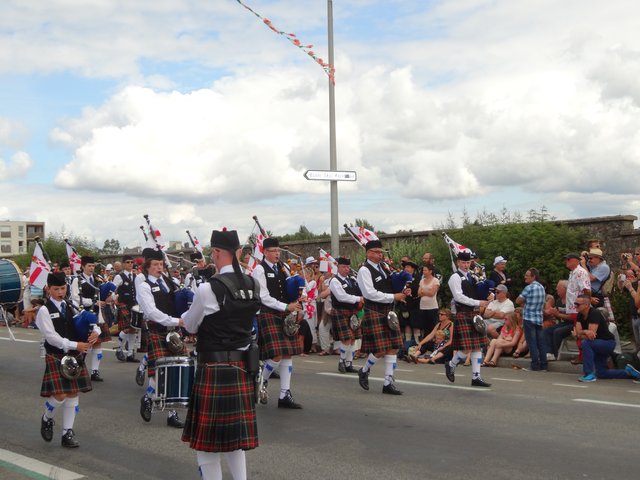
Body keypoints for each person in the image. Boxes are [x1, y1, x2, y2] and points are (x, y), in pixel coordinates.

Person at [181, 229, 261, 480]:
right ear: (238, 252)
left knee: (207, 445)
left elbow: (192, 325)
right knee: (235, 441)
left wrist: (184, 320)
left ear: (216, 253)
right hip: (242, 367)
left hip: (214, 369)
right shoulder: (253, 284)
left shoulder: (208, 289)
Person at [37, 271, 100, 448]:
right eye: (56, 289)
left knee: (72, 394)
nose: (60, 292)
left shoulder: (71, 305)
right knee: (60, 394)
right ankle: (47, 418)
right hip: (56, 355)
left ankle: (67, 432)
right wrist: (75, 345)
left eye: (63, 288)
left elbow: (92, 322)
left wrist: (96, 332)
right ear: (48, 289)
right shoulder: (44, 310)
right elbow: (51, 337)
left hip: (74, 356)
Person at [137, 247, 187, 428]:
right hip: (158, 330)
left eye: (161, 264)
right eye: (155, 265)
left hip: (173, 331)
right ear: (148, 267)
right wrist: (176, 320)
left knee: (176, 371)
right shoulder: (144, 286)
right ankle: (149, 398)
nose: (159, 267)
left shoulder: (170, 282)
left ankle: (172, 414)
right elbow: (151, 312)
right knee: (159, 373)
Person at [252, 237, 304, 408]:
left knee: (288, 353)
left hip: (284, 314)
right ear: (265, 252)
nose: (277, 254)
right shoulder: (259, 270)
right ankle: (262, 379)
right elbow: (263, 296)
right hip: (269, 313)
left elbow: (290, 287)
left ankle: (284, 394)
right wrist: (286, 306)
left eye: (278, 251)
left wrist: (299, 297)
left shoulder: (283, 268)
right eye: (273, 251)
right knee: (277, 355)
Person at [356, 239, 408, 395]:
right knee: (381, 349)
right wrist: (393, 296)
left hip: (388, 312)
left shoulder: (384, 267)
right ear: (369, 253)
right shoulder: (364, 270)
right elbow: (369, 294)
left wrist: (404, 290)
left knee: (393, 347)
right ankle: (364, 370)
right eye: (377, 252)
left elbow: (392, 285)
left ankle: (388, 383)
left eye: (381, 252)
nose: (380, 255)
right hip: (375, 311)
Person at [444, 251, 491, 387]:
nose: (466, 265)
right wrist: (478, 302)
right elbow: (459, 297)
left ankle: (476, 377)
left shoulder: (473, 276)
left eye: (468, 262)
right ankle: (451, 364)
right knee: (465, 350)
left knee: (477, 347)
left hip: (474, 314)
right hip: (463, 314)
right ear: (458, 262)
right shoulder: (455, 277)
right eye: (463, 262)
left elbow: (479, 292)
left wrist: (489, 295)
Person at [574, 294, 640, 382]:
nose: (575, 306)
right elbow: (579, 333)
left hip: (607, 343)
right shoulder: (579, 315)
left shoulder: (594, 313)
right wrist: (585, 332)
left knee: (586, 343)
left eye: (577, 304)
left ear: (586, 305)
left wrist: (582, 333)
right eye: (575, 303)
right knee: (601, 373)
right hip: (597, 344)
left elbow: (590, 336)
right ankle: (629, 373)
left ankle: (589, 374)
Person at [70, 255, 110, 382]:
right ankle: (77, 369)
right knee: (84, 343)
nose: (92, 268)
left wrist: (108, 298)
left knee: (97, 342)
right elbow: (75, 298)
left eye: (93, 266)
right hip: (83, 315)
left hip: (96, 314)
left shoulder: (97, 279)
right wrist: (93, 302)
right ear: (83, 266)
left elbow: (101, 295)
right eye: (89, 266)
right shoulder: (77, 280)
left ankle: (95, 371)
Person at [329, 257, 364, 373]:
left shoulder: (353, 280)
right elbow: (341, 297)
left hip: (352, 312)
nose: (346, 269)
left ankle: (349, 364)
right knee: (347, 338)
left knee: (353, 339)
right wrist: (358, 298)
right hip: (340, 311)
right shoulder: (334, 281)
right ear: (338, 268)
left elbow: (361, 292)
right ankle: (341, 362)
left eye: (348, 267)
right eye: (343, 267)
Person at [516, 268, 547, 371]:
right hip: (539, 318)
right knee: (540, 342)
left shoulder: (529, 288)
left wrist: (525, 303)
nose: (525, 277)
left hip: (529, 317)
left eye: (527, 275)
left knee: (531, 342)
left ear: (533, 276)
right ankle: (544, 365)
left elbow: (518, 300)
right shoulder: (541, 287)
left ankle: (535, 365)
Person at [113, 255, 138, 362]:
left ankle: (130, 353)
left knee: (133, 329)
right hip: (123, 304)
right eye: (127, 262)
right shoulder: (119, 276)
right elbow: (112, 290)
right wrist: (115, 300)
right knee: (126, 329)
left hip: (134, 306)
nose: (130, 264)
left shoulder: (136, 276)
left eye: (131, 262)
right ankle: (119, 348)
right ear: (123, 264)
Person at [543, 280, 573, 360]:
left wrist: (558, 314)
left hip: (574, 324)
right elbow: (557, 315)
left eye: (558, 287)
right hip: (564, 323)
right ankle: (548, 352)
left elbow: (572, 317)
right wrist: (552, 313)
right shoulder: (559, 301)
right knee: (547, 330)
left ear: (565, 289)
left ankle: (554, 353)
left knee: (558, 331)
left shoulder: (571, 301)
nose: (556, 289)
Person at [415, 262, 440, 340]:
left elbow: (432, 293)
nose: (423, 272)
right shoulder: (422, 281)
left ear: (430, 271)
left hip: (432, 307)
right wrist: (426, 292)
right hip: (423, 307)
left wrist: (423, 292)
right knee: (425, 327)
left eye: (425, 270)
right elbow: (418, 293)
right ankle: (425, 344)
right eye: (423, 270)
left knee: (432, 326)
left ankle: (433, 343)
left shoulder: (435, 280)